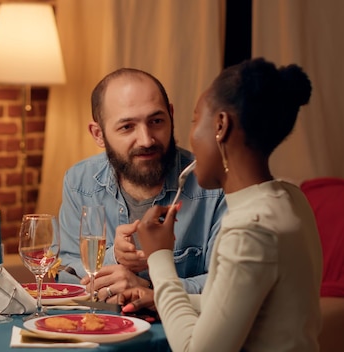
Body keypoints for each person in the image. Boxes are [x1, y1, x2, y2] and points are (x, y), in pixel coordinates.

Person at [119, 58, 322, 351]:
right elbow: (236, 303)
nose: (190, 137)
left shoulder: (249, 229)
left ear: (221, 126)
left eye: (194, 120)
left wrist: (159, 258)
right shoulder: (291, 198)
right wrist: (161, 297)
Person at [58, 68, 226, 301]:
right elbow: (65, 272)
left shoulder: (214, 185)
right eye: (127, 127)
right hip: (100, 330)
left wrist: (149, 289)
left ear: (171, 116)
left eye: (156, 121)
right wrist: (112, 258)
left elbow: (227, 283)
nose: (147, 140)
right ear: (98, 134)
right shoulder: (79, 181)